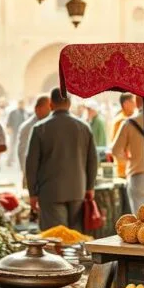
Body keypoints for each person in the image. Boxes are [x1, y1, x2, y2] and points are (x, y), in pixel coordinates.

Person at [26, 88, 98, 231]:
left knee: (56, 239)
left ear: (51, 104)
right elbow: (92, 161)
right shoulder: (84, 127)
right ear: (69, 104)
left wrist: (32, 193)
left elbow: (31, 164)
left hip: (50, 192)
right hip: (78, 189)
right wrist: (90, 187)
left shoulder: (40, 128)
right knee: (75, 238)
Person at [17, 95, 52, 176]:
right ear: (37, 109)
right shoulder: (27, 127)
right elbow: (22, 153)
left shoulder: (49, 124)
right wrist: (27, 174)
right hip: (33, 175)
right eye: (48, 108)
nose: (50, 111)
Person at [110, 93, 138, 178]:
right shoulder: (120, 121)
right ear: (125, 104)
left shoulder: (134, 118)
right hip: (125, 169)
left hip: (134, 167)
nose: (135, 104)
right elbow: (117, 147)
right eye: (133, 101)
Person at [5, 99, 28, 168]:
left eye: (23, 104)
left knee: (21, 147)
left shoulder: (25, 112)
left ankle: (19, 162)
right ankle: (9, 161)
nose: (22, 105)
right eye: (20, 104)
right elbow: (8, 122)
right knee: (12, 146)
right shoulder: (13, 112)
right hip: (14, 131)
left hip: (22, 132)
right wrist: (9, 129)